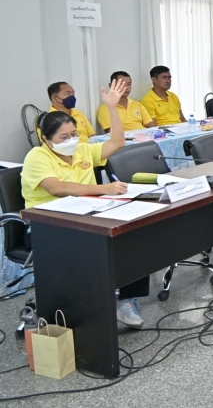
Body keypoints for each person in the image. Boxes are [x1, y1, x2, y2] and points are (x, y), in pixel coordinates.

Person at [23, 80, 151, 328]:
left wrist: (112, 107)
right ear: (47, 139)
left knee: (133, 234)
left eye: (74, 134)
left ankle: (126, 299)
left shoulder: (81, 150)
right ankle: (88, 305)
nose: (71, 140)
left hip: (90, 215)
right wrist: (103, 189)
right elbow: (56, 188)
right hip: (46, 225)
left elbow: (117, 143)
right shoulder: (37, 156)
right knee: (97, 244)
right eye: (63, 137)